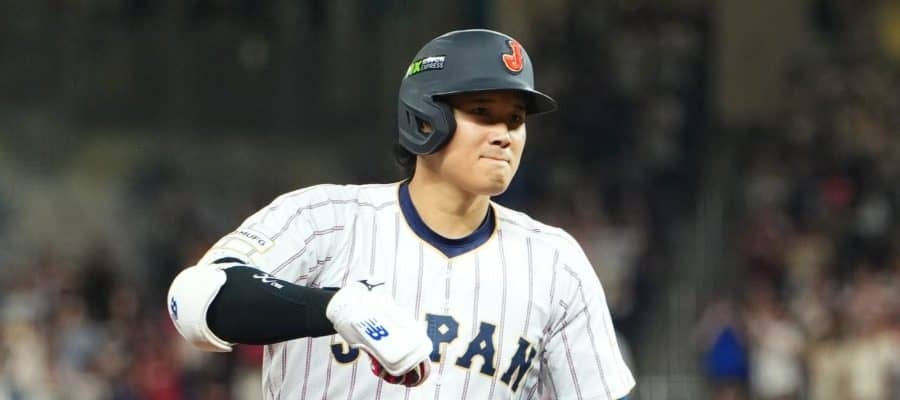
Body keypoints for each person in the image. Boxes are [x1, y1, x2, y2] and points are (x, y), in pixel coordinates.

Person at [167, 29, 635, 400]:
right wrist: (336, 308)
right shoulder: (327, 219)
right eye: (482, 112)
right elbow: (191, 299)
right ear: (425, 118)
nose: (504, 134)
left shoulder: (554, 263)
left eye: (515, 119)